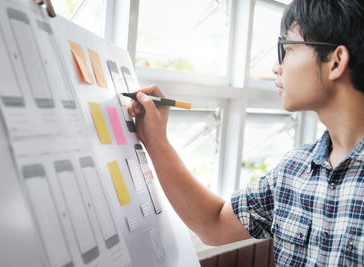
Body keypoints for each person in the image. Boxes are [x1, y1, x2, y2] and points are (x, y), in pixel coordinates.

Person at [127, 0, 364, 265]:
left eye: (286, 48)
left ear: (335, 61)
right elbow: (213, 223)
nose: (277, 66)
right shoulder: (293, 171)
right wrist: (155, 140)